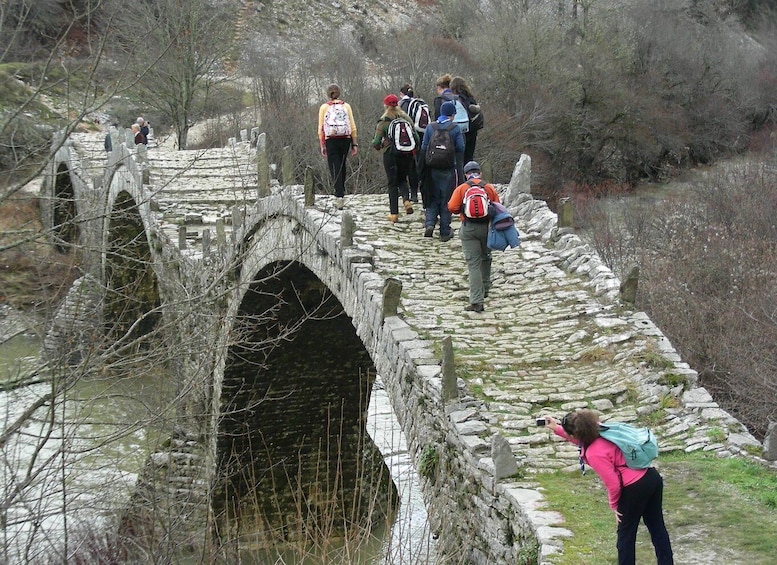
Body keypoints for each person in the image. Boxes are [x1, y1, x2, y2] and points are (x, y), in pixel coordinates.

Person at [542, 410, 674, 565]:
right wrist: (556, 428)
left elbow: (613, 483)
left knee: (625, 537)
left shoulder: (594, 453)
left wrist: (614, 505)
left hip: (635, 487)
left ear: (576, 434)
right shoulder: (602, 430)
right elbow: (581, 440)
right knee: (656, 526)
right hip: (651, 477)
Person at [447, 161, 499, 312]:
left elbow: (452, 207)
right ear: (480, 173)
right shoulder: (488, 187)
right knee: (486, 257)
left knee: (473, 264)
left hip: (468, 229)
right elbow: (497, 205)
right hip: (486, 228)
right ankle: (486, 287)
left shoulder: (462, 188)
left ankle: (477, 300)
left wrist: (464, 209)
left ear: (466, 175)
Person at [419, 100, 464, 242]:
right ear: (451, 115)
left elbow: (424, 146)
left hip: (431, 168)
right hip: (448, 169)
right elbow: (461, 147)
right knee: (447, 199)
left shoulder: (430, 127)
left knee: (432, 197)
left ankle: (430, 223)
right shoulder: (455, 128)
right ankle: (445, 231)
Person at [371, 94, 418, 223]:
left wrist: (381, 145)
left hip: (390, 154)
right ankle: (406, 201)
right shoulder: (406, 118)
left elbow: (375, 142)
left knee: (392, 183)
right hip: (407, 154)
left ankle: (394, 214)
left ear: (385, 105)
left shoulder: (384, 120)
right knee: (402, 179)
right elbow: (416, 138)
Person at [318, 84, 359, 210]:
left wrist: (322, 144)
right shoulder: (346, 106)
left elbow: (321, 128)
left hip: (331, 139)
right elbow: (352, 126)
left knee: (333, 166)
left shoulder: (324, 107)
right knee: (342, 164)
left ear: (328, 94)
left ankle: (339, 194)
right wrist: (354, 143)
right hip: (345, 139)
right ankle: (342, 191)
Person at [399, 83, 422, 202]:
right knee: (413, 167)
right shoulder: (418, 104)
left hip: (402, 142)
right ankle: (414, 193)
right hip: (416, 140)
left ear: (401, 94)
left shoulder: (401, 105)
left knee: (402, 168)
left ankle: (404, 194)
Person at [450, 76, 481, 163]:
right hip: (472, 131)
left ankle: (460, 176)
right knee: (469, 157)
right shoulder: (471, 99)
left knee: (459, 158)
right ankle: (470, 174)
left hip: (460, 131)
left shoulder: (455, 100)